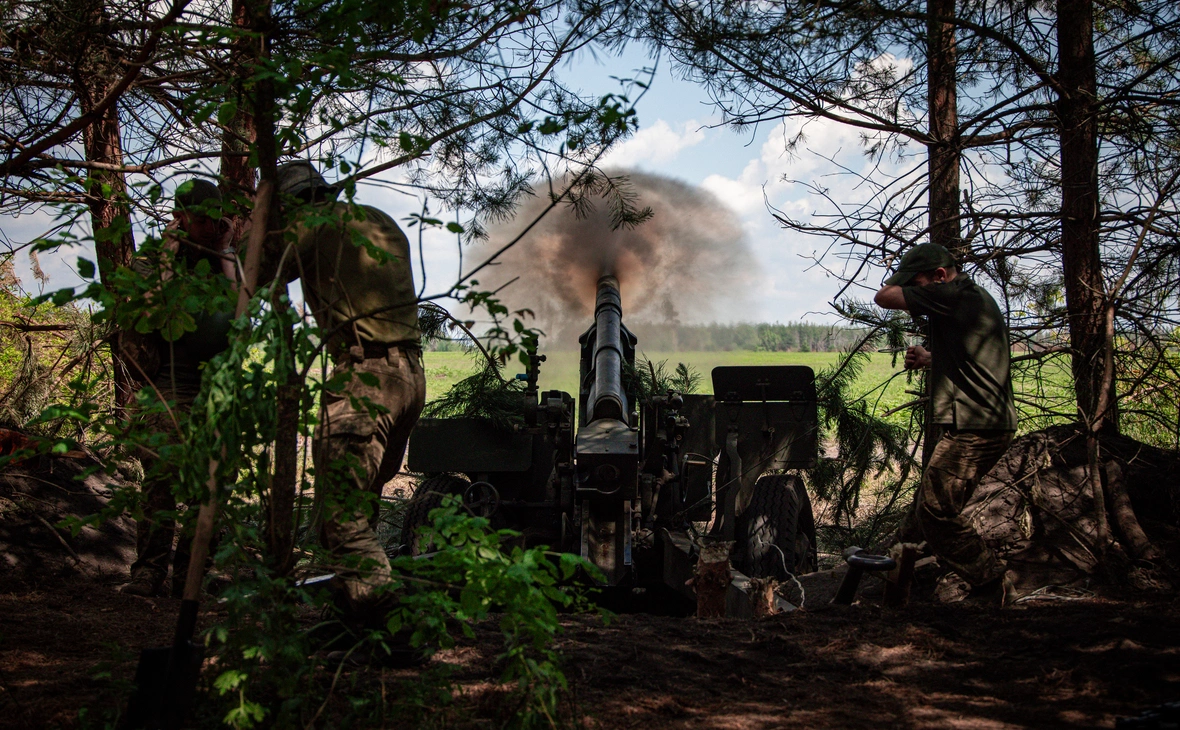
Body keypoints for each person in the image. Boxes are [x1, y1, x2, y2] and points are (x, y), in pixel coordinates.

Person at [275, 160, 425, 627]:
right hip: (409, 376)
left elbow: (261, 272)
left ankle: (395, 622)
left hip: (366, 375)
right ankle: (353, 623)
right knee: (360, 505)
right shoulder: (378, 219)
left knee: (340, 515)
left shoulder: (312, 224)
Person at [874, 242, 1018, 604]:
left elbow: (884, 297)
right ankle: (898, 588)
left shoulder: (955, 294)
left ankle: (992, 585)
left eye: (918, 283)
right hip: (977, 422)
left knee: (936, 511)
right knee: (921, 515)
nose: (915, 292)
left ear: (940, 276)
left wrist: (907, 289)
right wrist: (928, 358)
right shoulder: (967, 300)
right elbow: (971, 359)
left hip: (978, 425)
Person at [122, 179, 237, 597]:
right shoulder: (153, 259)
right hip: (167, 382)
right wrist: (170, 256)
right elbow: (150, 310)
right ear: (181, 217)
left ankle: (194, 573)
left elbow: (243, 310)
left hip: (216, 383)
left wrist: (224, 252)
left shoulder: (226, 257)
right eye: (200, 220)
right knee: (161, 475)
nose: (207, 227)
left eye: (214, 219)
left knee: (212, 479)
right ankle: (149, 571)